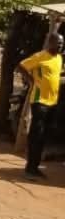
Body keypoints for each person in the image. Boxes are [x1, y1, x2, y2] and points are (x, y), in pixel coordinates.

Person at [19, 32, 64, 179]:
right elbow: (21, 66)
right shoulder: (40, 56)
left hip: (53, 102)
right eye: (58, 42)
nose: (60, 45)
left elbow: (56, 75)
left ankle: (35, 166)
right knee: (36, 135)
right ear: (50, 42)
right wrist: (31, 80)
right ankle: (30, 168)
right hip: (40, 101)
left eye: (62, 43)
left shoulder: (59, 58)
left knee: (44, 135)